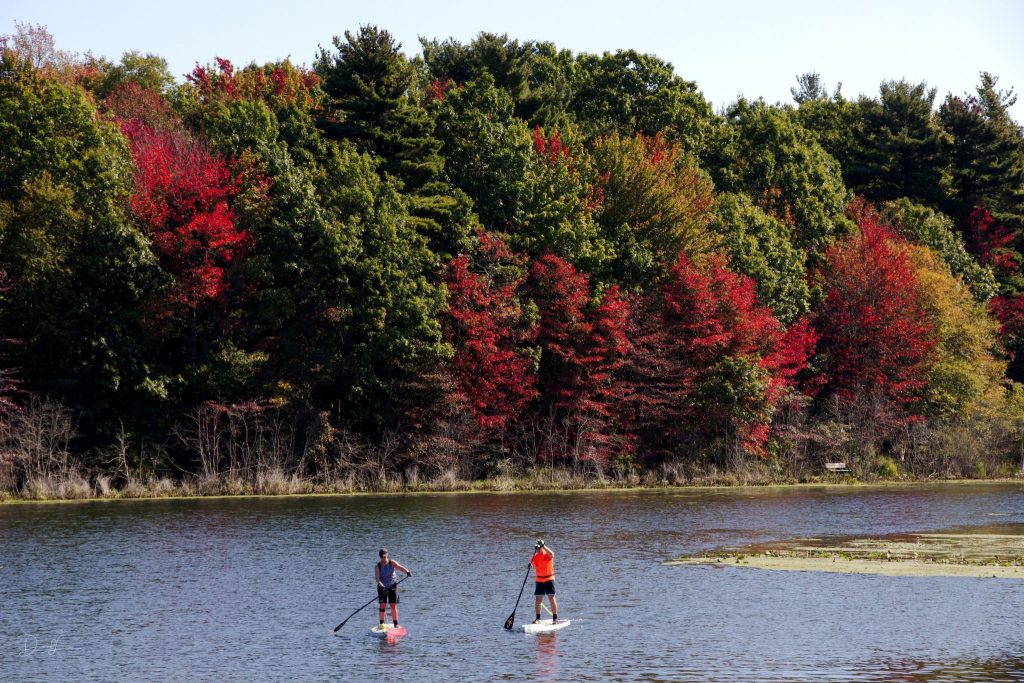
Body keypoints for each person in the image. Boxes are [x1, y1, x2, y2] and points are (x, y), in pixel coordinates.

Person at [375, 548, 411, 628]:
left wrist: (407, 571)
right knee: (382, 606)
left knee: (393, 605)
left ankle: (396, 624)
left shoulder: (392, 563)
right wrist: (383, 587)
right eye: (382, 557)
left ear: (387, 555)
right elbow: (377, 579)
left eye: (384, 557)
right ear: (380, 557)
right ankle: (381, 624)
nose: (383, 559)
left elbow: (401, 568)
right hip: (382, 587)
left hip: (392, 586)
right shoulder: (377, 567)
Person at [530, 539, 559, 624]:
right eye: (535, 548)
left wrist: (543, 545)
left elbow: (552, 554)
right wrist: (530, 566)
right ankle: (538, 618)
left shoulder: (547, 555)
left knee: (551, 598)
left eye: (538, 548)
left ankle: (555, 618)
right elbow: (533, 565)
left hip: (549, 579)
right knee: (538, 599)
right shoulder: (535, 557)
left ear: (542, 548)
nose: (537, 550)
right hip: (539, 580)